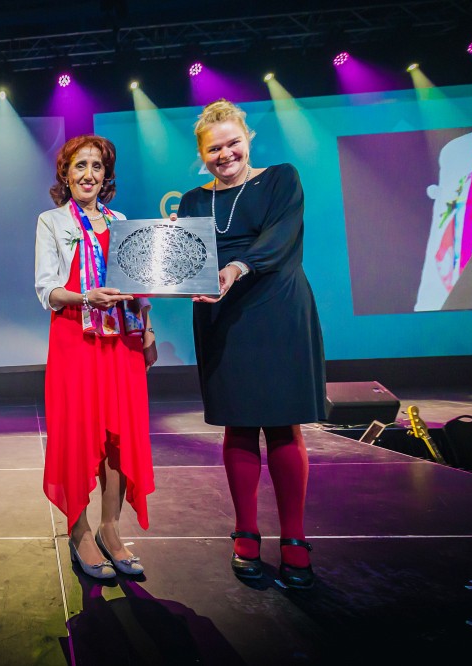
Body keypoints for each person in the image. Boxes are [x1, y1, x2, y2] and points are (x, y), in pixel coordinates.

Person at [175, 98, 326, 589]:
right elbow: (184, 261)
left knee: (284, 426)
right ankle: (245, 533)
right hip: (222, 317)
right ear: (203, 153)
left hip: (278, 309)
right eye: (214, 149)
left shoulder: (282, 178)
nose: (225, 154)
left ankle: (295, 540)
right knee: (239, 427)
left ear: (248, 139)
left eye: (232, 143)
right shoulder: (195, 201)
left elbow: (281, 240)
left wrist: (236, 268)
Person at [34, 134, 157, 580]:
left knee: (117, 438)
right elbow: (46, 289)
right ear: (65, 174)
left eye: (97, 167)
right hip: (75, 340)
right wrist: (86, 297)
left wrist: (149, 329)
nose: (89, 174)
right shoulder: (52, 221)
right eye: (79, 166)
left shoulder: (121, 221)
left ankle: (110, 528)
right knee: (79, 434)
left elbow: (138, 284)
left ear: (106, 175)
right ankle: (79, 531)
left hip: (121, 342)